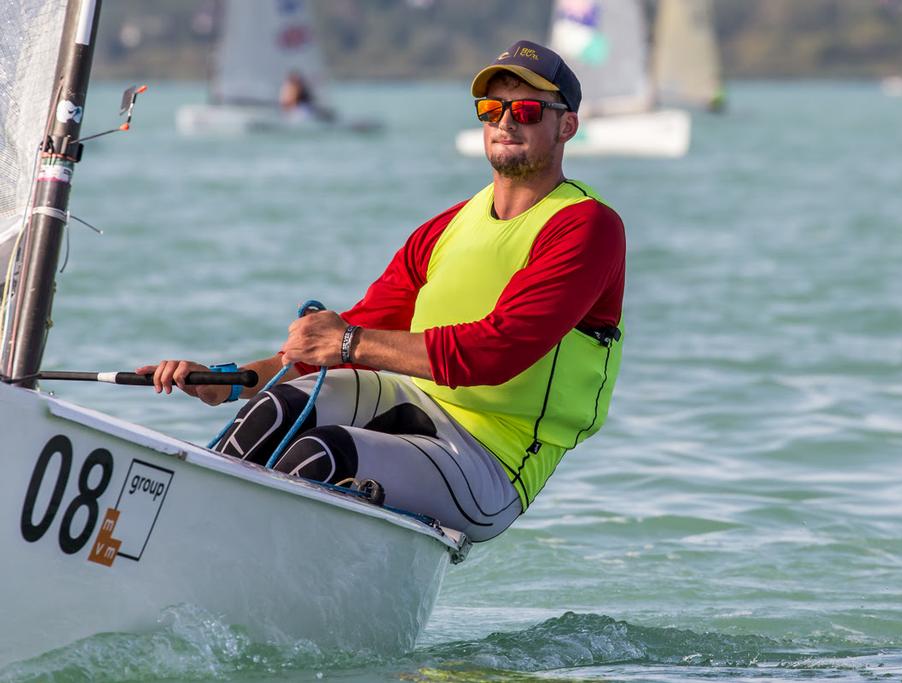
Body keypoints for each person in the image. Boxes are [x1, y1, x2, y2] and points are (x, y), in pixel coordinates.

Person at [140, 40, 625, 542]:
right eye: (491, 108)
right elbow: (352, 334)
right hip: (412, 402)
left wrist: (348, 342)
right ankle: (179, 539)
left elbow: (494, 352)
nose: (505, 121)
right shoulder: (447, 227)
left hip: (491, 458)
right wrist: (236, 380)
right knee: (275, 408)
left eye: (526, 109)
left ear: (567, 126)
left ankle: (228, 561)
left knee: (319, 456)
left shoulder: (587, 227)